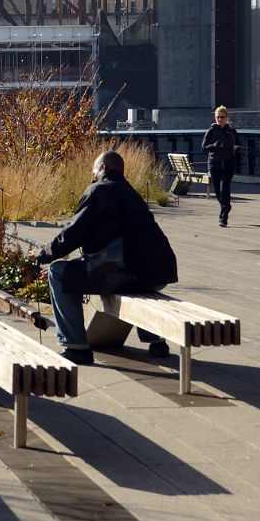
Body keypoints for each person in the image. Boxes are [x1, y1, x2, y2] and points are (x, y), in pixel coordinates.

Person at [33, 150, 178, 365]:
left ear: (103, 168)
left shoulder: (99, 190)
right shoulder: (131, 192)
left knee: (58, 273)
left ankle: (76, 347)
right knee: (137, 275)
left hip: (127, 272)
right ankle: (155, 341)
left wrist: (42, 254)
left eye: (94, 169)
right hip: (159, 273)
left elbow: (73, 233)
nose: (92, 174)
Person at [201, 105, 240, 227]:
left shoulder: (232, 132)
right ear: (215, 118)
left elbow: (239, 145)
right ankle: (226, 206)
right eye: (218, 117)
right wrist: (214, 145)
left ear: (227, 118)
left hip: (228, 163)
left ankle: (223, 218)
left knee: (225, 189)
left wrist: (237, 148)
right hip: (214, 164)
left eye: (222, 117)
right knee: (218, 192)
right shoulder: (211, 131)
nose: (220, 119)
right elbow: (203, 148)